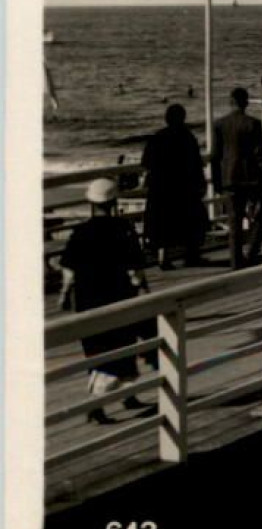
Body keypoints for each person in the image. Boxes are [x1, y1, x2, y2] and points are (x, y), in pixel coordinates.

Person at [57, 179, 152, 424]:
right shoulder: (123, 229)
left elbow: (69, 270)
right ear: (114, 202)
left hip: (88, 298)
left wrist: (64, 295)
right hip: (118, 295)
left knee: (96, 348)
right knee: (123, 345)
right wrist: (144, 287)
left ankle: (121, 398)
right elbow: (136, 267)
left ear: (90, 202)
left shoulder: (81, 232)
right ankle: (100, 404)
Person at [140, 104, 207, 269]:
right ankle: (191, 256)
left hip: (161, 188)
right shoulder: (188, 138)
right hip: (183, 188)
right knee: (191, 221)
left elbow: (145, 162)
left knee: (162, 224)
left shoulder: (157, 137)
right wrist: (201, 183)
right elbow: (196, 165)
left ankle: (163, 258)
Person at [212, 87, 262, 269]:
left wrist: (216, 181)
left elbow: (216, 156)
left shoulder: (220, 124)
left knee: (234, 220)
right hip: (251, 178)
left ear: (231, 101)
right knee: (261, 215)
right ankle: (252, 250)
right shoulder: (253, 124)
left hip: (229, 178)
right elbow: (260, 154)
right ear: (246, 102)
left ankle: (236, 261)